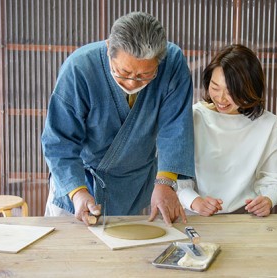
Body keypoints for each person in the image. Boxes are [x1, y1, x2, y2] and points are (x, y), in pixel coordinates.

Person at [41, 12, 195, 226]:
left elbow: (176, 127)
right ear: (108, 49)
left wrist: (165, 183)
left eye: (144, 75)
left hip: (137, 183)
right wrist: (77, 193)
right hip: (80, 181)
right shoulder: (79, 68)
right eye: (123, 71)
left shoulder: (173, 63)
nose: (132, 82)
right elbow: (59, 142)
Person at [177, 44, 277, 217]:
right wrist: (195, 201)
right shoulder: (194, 117)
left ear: (249, 89)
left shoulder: (267, 123)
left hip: (247, 219)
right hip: (197, 218)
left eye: (231, 92)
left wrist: (268, 199)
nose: (221, 98)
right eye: (215, 88)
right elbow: (175, 175)